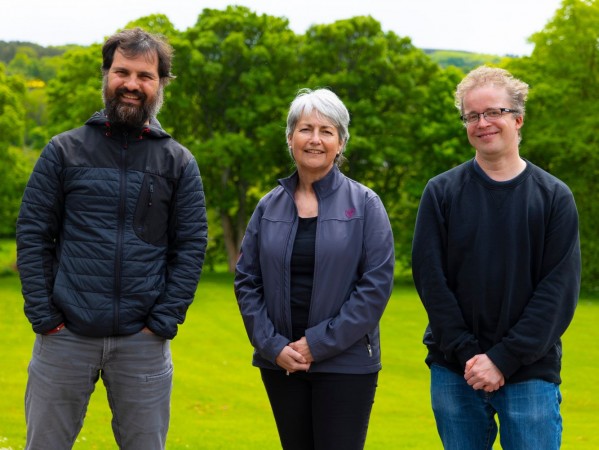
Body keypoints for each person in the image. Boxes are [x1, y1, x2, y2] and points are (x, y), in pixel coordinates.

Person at [16, 28, 207, 450]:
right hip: (64, 337)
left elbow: (191, 246)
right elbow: (32, 234)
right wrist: (45, 316)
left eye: (145, 75)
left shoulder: (178, 162)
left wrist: (163, 322)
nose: (132, 84)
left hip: (143, 344)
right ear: (106, 74)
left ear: (161, 84)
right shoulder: (62, 151)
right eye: (122, 71)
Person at [412, 65, 581, 450]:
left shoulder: (554, 198)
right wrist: (472, 356)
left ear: (518, 118)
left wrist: (503, 359)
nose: (482, 122)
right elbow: (430, 280)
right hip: (456, 370)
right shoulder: (441, 193)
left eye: (494, 112)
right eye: (472, 115)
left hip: (530, 373)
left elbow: (558, 292)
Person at [234, 88, 395, 450]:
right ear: (290, 138)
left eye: (327, 131)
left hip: (347, 364)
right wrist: (274, 346)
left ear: (340, 144)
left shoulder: (366, 204)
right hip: (281, 364)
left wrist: (315, 345)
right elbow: (247, 280)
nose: (315, 140)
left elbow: (375, 287)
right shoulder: (268, 206)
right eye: (306, 129)